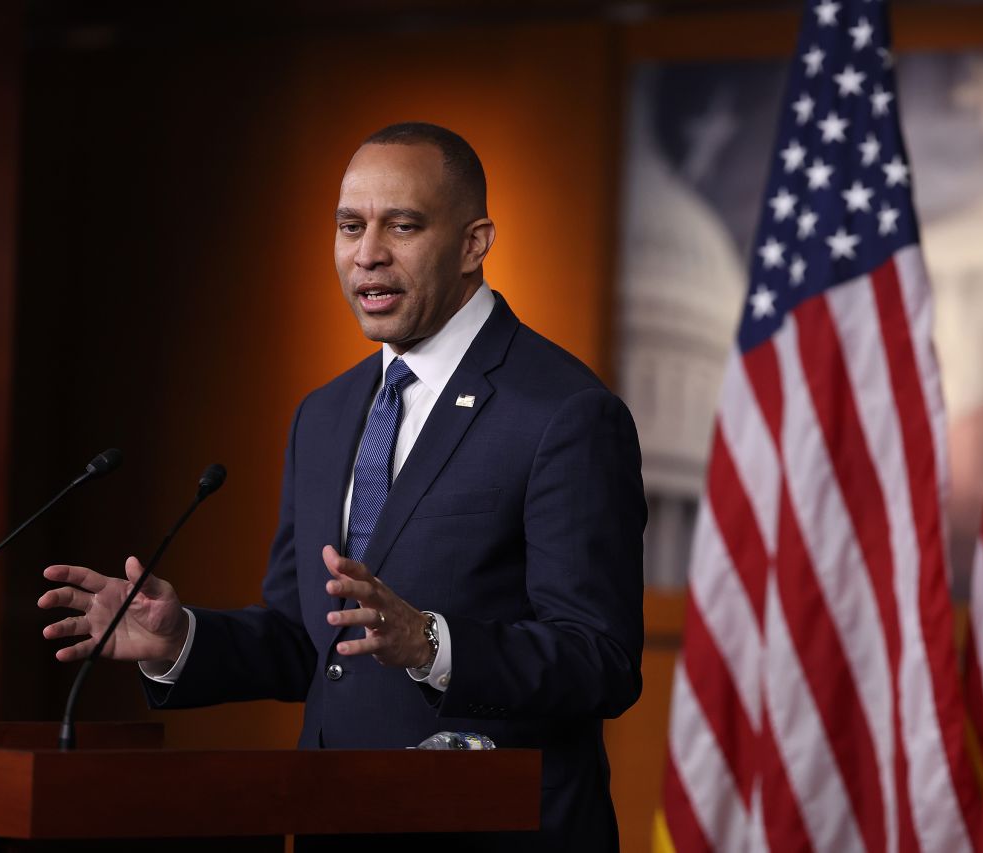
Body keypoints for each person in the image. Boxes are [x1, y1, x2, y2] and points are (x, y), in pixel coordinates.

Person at [37, 122, 647, 851]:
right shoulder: (325, 414)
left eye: (404, 225)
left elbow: (601, 660)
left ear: (474, 243)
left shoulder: (564, 412)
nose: (368, 254)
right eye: (350, 226)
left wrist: (429, 641)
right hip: (336, 822)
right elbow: (312, 640)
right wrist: (182, 639)